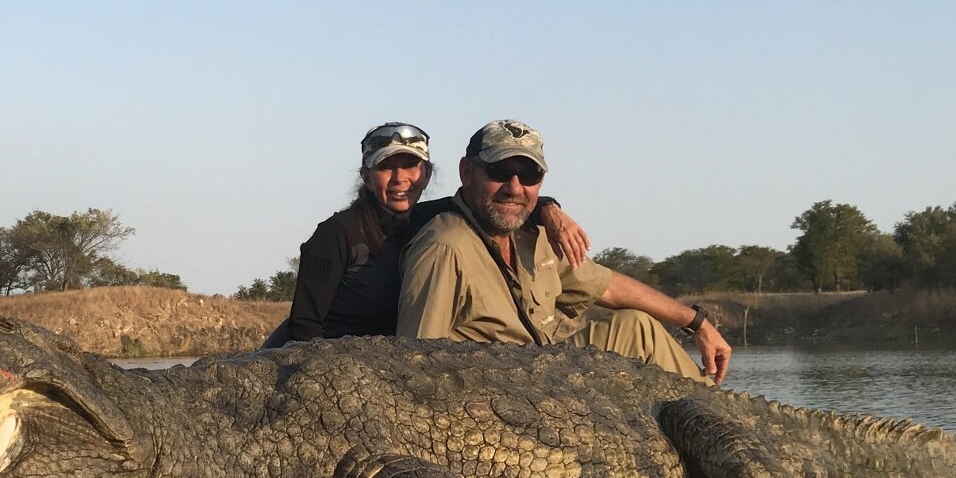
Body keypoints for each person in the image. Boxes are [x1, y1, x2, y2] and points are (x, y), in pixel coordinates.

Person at [396, 119, 732, 384]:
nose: (515, 187)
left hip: (555, 366)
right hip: (505, 387)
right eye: (499, 172)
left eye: (528, 174)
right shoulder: (445, 246)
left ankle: (719, 420)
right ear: (467, 172)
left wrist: (698, 322)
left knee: (636, 327)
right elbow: (416, 359)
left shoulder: (535, 235)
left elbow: (608, 286)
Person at [264, 122, 591, 346]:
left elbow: (499, 202)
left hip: (388, 361)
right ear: (365, 176)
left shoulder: (431, 216)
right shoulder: (336, 235)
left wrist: (550, 209)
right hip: (340, 365)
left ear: (427, 173)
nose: (399, 179)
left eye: (411, 166)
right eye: (385, 167)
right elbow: (304, 330)